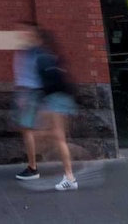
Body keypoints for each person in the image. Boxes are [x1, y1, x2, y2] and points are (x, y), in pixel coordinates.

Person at [13, 23, 79, 191]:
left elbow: (42, 82)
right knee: (58, 137)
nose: (23, 35)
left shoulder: (38, 55)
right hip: (58, 97)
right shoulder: (46, 54)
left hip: (55, 99)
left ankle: (70, 177)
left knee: (58, 137)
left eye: (27, 33)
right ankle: (69, 173)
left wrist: (38, 103)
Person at [13, 22, 43, 181]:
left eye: (25, 31)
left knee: (27, 129)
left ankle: (33, 167)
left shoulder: (33, 52)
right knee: (27, 129)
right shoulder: (27, 51)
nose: (21, 33)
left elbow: (31, 75)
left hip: (29, 93)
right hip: (27, 92)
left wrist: (24, 96)